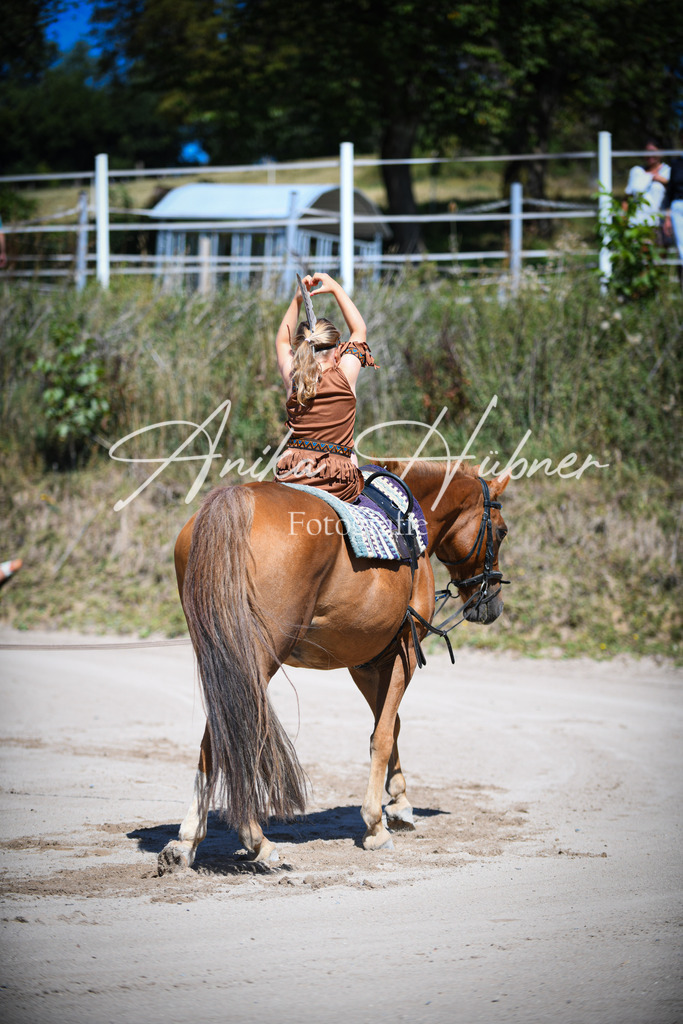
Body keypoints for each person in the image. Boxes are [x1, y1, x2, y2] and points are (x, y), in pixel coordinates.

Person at [274, 272, 377, 503]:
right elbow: (359, 330)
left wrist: (297, 299)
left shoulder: (294, 376)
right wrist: (336, 288)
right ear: (336, 350)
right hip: (337, 480)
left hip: (294, 475)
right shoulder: (345, 375)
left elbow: (282, 341)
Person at [623, 140, 670, 232]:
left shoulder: (668, 171)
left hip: (657, 223)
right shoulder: (636, 171)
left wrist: (662, 180)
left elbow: (672, 197)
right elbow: (627, 198)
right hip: (635, 223)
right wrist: (623, 218)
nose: (650, 155)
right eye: (647, 152)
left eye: (653, 151)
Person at [662, 142, 683, 282]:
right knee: (682, 249)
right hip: (678, 206)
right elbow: (670, 192)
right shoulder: (676, 164)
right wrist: (667, 217)